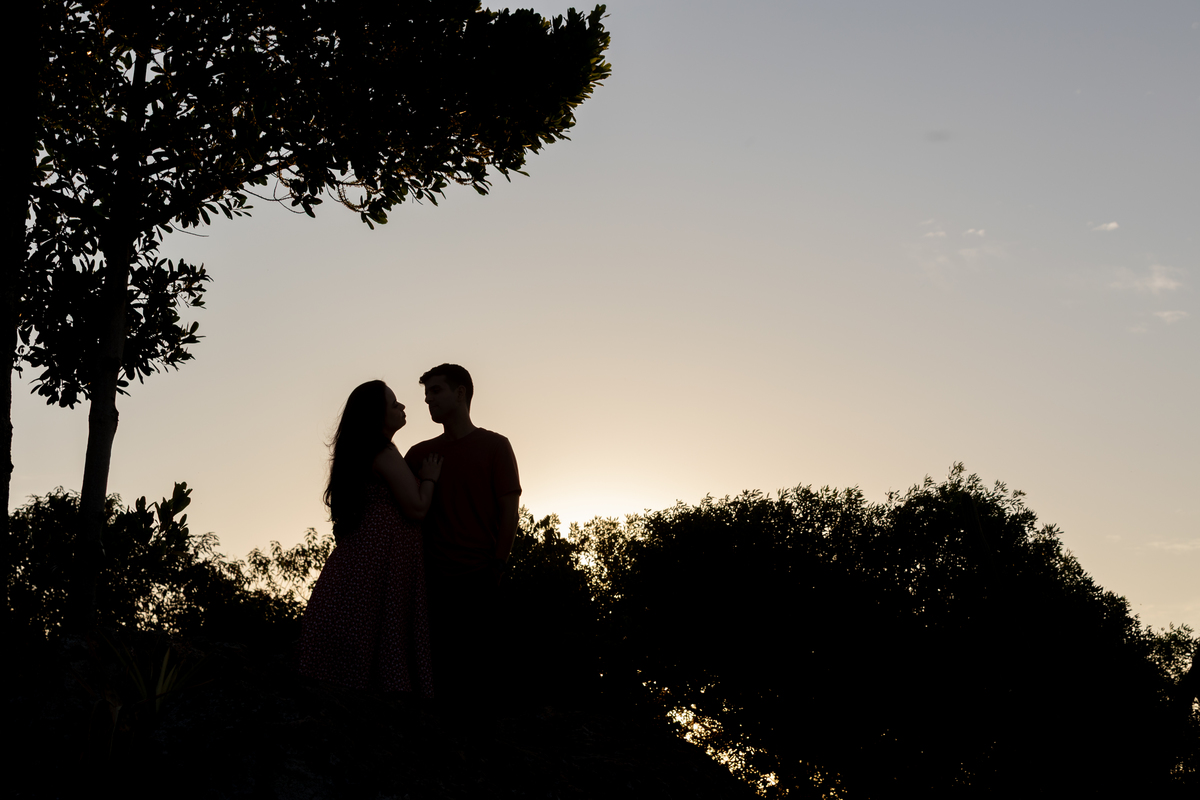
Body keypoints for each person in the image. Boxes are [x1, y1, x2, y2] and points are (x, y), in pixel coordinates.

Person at [299, 380, 443, 697]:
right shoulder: (383, 452)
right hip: (382, 559)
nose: (402, 407)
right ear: (377, 416)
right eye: (393, 404)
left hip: (359, 558)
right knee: (383, 631)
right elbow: (417, 508)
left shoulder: (357, 455)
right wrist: (429, 479)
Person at [404, 364, 521, 704]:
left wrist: (498, 566)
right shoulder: (419, 455)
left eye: (436, 391)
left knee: (479, 680)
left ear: (460, 393)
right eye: (426, 394)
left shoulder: (495, 446)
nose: (428, 400)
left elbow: (510, 513)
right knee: (435, 679)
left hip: (478, 578)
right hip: (430, 582)